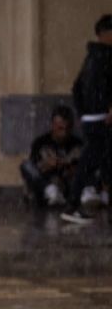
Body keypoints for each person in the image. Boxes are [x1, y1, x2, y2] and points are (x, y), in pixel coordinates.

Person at [61, 14, 112, 224]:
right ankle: (73, 203)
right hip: (102, 119)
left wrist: (83, 113)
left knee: (98, 161)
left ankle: (78, 202)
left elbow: (76, 87)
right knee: (91, 163)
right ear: (105, 34)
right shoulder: (106, 57)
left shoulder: (91, 58)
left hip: (92, 119)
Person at [20, 106, 83, 207]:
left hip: (67, 183)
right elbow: (33, 166)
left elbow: (82, 166)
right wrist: (46, 164)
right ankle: (50, 191)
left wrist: (69, 167)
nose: (64, 133)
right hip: (46, 182)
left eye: (67, 128)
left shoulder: (77, 144)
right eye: (60, 128)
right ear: (53, 125)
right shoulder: (40, 142)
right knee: (26, 165)